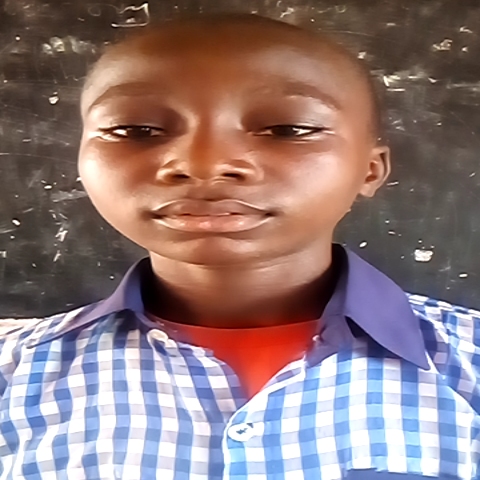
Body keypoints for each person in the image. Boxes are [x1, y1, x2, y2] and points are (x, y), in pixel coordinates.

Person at [0, 13, 478, 480]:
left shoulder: (468, 364)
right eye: (136, 130)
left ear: (370, 170)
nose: (204, 164)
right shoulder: (13, 375)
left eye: (288, 129)